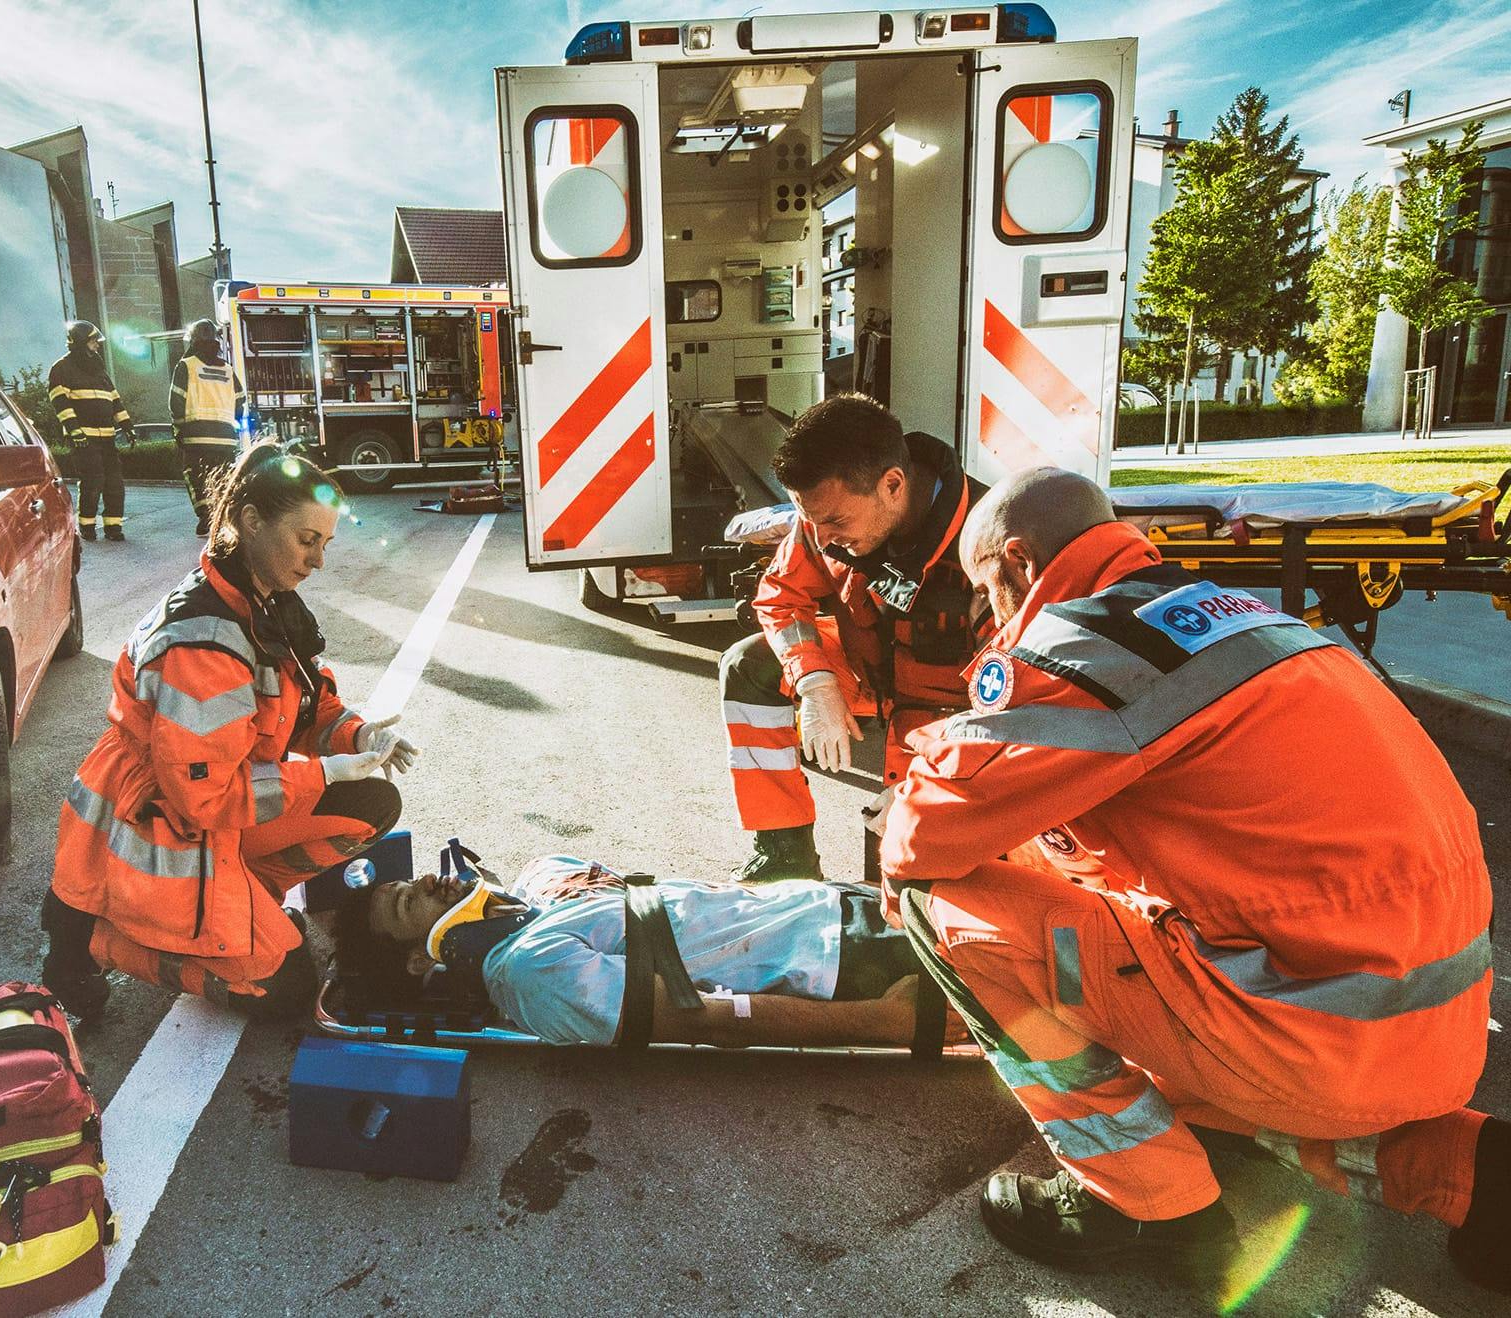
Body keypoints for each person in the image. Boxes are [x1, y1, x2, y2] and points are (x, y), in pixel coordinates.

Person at [877, 466, 1505, 1293]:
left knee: (941, 904)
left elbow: (925, 835)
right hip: (1434, 1036)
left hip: (1305, 1034)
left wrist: (914, 823)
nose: (992, 615)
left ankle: (1142, 1205)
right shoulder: (1244, 618)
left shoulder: (1090, 645)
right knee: (1188, 1090)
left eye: (988, 589)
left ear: (1020, 564)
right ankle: (1478, 1175)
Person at [41, 441, 421, 1020]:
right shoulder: (204, 642)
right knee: (287, 990)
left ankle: (241, 896)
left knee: (371, 801)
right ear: (250, 522)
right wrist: (322, 772)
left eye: (325, 543)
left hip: (213, 814)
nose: (318, 561)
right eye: (306, 539)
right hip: (161, 827)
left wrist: (358, 736)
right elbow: (204, 797)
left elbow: (307, 709)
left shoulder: (264, 603)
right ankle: (95, 940)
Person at [721, 394, 986, 883]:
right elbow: (780, 596)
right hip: (869, 672)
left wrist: (926, 784)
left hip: (952, 714)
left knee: (902, 893)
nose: (821, 539)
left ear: (892, 484)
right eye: (811, 521)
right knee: (746, 666)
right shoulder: (824, 519)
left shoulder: (986, 542)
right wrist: (814, 681)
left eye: (836, 523)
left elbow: (1012, 706)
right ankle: (784, 852)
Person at [335, 853, 953, 1049]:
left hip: (841, 901)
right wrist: (881, 1022)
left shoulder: (542, 880)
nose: (420, 883)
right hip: (844, 961)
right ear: (421, 959)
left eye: (405, 880)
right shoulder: (530, 972)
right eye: (405, 905)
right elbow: (700, 1017)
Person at [49, 319, 134, 541]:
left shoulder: (99, 370)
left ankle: (113, 527)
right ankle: (86, 526)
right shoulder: (61, 368)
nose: (97, 344)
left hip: (106, 435)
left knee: (114, 482)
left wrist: (127, 425)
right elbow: (61, 403)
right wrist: (75, 432)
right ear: (80, 342)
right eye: (93, 340)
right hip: (83, 438)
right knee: (93, 480)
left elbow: (114, 399)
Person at [170, 318, 243, 537]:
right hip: (226, 438)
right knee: (222, 477)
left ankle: (206, 518)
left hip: (196, 436)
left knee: (196, 476)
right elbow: (240, 401)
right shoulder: (228, 370)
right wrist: (233, 425)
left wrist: (178, 429)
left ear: (192, 341)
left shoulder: (186, 365)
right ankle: (222, 518)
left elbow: (176, 401)